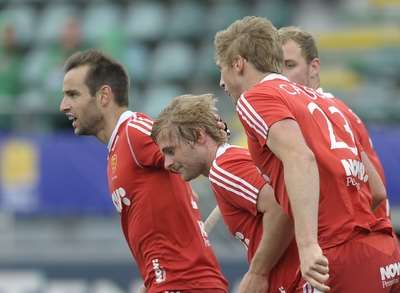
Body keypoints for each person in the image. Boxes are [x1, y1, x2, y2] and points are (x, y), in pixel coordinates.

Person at [214, 16, 400, 292]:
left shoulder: (254, 98)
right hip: (383, 250)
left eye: (222, 69)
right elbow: (377, 191)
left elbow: (300, 158)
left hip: (336, 257)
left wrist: (309, 245)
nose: (221, 82)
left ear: (238, 63)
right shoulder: (326, 102)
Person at [59, 49, 228, 293]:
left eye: (73, 94)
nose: (63, 105)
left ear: (104, 96)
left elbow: (205, 154)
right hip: (169, 283)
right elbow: (187, 186)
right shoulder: (119, 146)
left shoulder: (134, 133)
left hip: (186, 285)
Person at [152, 93, 300, 292]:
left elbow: (280, 204)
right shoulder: (228, 165)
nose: (167, 163)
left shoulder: (224, 168)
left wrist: (257, 273)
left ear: (198, 136)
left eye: (171, 151)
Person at [278, 26, 389, 219]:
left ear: (314, 67)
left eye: (289, 65)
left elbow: (374, 192)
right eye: (275, 68)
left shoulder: (321, 113)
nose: (281, 76)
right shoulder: (328, 108)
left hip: (359, 237)